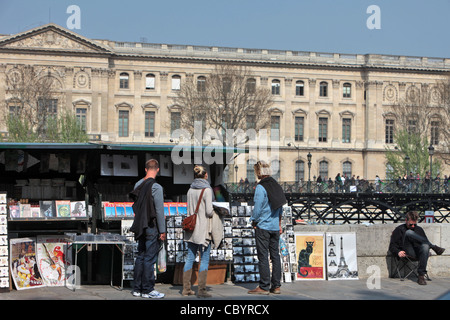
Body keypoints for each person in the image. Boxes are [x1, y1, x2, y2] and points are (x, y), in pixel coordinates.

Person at [248, 161, 287, 295]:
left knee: (263, 256)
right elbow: (280, 207)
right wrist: (279, 224)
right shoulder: (276, 186)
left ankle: (264, 286)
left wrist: (253, 221)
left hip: (263, 226)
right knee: (275, 256)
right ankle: (276, 286)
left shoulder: (261, 187)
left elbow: (257, 209)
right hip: (275, 226)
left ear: (258, 172)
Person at [129, 159, 166, 298]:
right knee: (150, 258)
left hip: (140, 226)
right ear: (157, 170)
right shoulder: (157, 187)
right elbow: (159, 211)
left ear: (145, 169)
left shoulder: (138, 184)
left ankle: (137, 289)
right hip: (151, 225)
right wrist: (162, 230)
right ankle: (148, 289)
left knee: (140, 256)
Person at [182, 165, 214, 298]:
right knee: (204, 258)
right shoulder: (207, 190)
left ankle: (186, 289)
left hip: (191, 229)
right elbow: (208, 211)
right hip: (203, 228)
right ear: (205, 175)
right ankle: (201, 290)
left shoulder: (190, 190)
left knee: (190, 257)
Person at [389, 211, 445, 285]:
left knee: (425, 246)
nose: (413, 226)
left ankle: (421, 276)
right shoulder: (399, 229)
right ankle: (434, 247)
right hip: (407, 251)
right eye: (411, 224)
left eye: (414, 224)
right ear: (406, 221)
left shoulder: (419, 229)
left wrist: (426, 249)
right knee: (409, 232)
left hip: (419, 252)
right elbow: (392, 246)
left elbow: (425, 242)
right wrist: (398, 252)